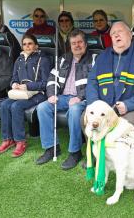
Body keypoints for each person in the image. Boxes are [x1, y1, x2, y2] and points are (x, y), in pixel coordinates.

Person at [86, 21, 134, 133]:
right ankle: (97, 151)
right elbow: (92, 82)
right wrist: (95, 104)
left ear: (130, 35)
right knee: (85, 119)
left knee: (125, 127)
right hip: (105, 106)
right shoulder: (102, 58)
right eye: (113, 33)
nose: (116, 35)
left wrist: (128, 105)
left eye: (120, 31)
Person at [36, 29, 94, 169]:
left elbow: (95, 83)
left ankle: (75, 152)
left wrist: (80, 97)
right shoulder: (63, 59)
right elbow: (52, 78)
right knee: (42, 107)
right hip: (62, 97)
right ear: (70, 45)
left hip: (83, 99)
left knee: (74, 110)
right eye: (73, 43)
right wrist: (51, 94)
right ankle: (52, 148)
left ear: (85, 44)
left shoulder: (94, 59)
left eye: (80, 42)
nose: (77, 45)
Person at [0, 34, 51, 157]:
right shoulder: (19, 60)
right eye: (24, 44)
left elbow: (46, 83)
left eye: (30, 43)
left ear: (36, 45)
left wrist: (28, 86)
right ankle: (7, 139)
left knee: (16, 107)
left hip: (38, 94)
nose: (27, 46)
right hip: (21, 93)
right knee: (4, 105)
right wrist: (14, 83)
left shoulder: (43, 59)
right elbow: (14, 77)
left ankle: (20, 141)